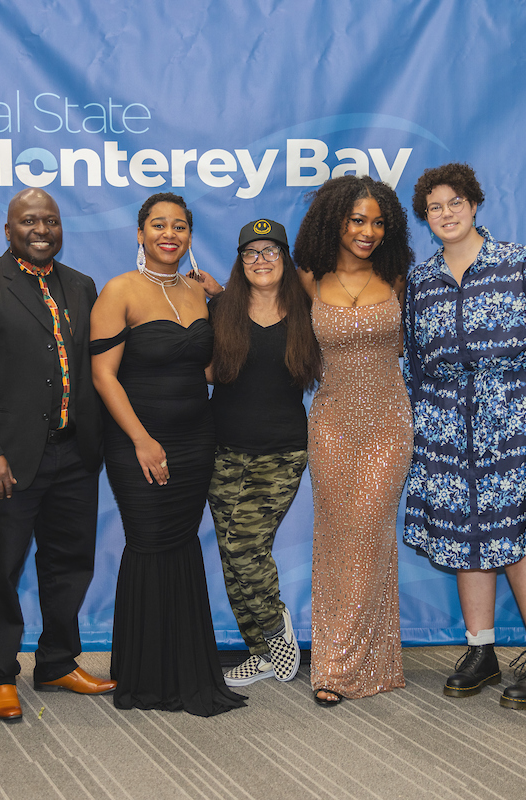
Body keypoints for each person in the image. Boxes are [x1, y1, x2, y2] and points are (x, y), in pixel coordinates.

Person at [403, 163, 526, 709]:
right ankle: (480, 651)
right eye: (434, 207)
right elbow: (411, 361)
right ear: (425, 219)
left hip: (516, 422)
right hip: (445, 426)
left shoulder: (519, 263)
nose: (446, 214)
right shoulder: (420, 280)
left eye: (455, 202)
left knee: (519, 541)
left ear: (474, 205)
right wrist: (414, 428)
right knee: (464, 544)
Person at [0, 187, 114, 722]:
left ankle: (58, 661)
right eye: (30, 221)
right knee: (2, 568)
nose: (42, 230)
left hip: (74, 455)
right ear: (9, 228)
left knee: (69, 565)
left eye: (51, 221)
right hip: (8, 461)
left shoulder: (81, 286)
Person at [90, 192, 246, 716]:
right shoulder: (121, 290)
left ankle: (185, 668)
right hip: (139, 441)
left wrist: (222, 299)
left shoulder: (198, 291)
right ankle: (143, 673)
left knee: (181, 546)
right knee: (150, 542)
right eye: (158, 224)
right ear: (140, 234)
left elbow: (204, 369)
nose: (169, 233)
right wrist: (140, 438)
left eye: (179, 225)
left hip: (195, 440)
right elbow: (102, 375)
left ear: (189, 236)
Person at [293, 175, 413, 707]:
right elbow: (263, 315)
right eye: (357, 220)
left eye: (377, 221)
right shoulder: (309, 278)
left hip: (389, 422)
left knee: (370, 533)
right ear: (334, 221)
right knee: (337, 538)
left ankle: (352, 663)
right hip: (333, 423)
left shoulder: (401, 276)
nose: (367, 231)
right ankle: (342, 662)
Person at [207, 218, 321, 687]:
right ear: (240, 262)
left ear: (285, 258)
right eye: (251, 253)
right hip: (222, 449)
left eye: (270, 251)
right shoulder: (220, 309)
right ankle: (261, 652)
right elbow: (210, 373)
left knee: (245, 545)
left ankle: (276, 632)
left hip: (281, 451)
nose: (261, 260)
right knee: (229, 555)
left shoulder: (310, 311)